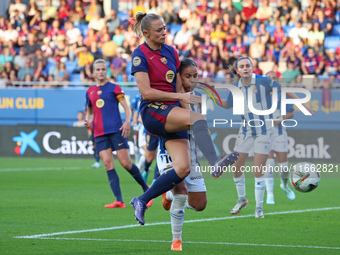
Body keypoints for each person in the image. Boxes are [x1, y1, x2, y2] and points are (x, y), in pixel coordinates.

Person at [130, 11, 234, 225]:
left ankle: (141, 200)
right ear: (146, 33)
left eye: (165, 29)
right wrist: (185, 105)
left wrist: (190, 113)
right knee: (198, 120)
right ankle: (215, 163)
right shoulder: (139, 54)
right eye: (159, 30)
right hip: (153, 111)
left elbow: (179, 89)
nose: (164, 33)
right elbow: (147, 92)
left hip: (173, 112)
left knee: (183, 168)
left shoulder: (171, 52)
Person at [212, 57, 315, 218]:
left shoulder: (264, 81)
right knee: (237, 168)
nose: (245, 68)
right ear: (237, 70)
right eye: (242, 66)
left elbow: (284, 90)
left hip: (264, 131)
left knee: (257, 170)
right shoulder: (235, 87)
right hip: (245, 131)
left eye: (248, 65)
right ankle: (242, 199)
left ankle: (259, 208)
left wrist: (303, 105)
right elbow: (228, 104)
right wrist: (213, 98)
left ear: (252, 68)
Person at [85, 59, 151, 209]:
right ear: (94, 72)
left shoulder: (114, 88)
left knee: (126, 163)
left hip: (116, 130)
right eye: (98, 69)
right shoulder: (89, 92)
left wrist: (127, 121)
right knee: (108, 164)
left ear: (106, 71)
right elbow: (89, 112)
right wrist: (88, 121)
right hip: (100, 133)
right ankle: (119, 201)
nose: (101, 72)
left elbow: (126, 108)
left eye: (103, 69)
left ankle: (146, 190)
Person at [158, 58, 208, 251]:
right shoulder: (171, 98)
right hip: (172, 150)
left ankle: (167, 195)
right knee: (181, 192)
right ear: (179, 77)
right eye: (188, 76)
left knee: (199, 204)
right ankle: (176, 240)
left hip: (192, 155)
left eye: (195, 76)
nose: (192, 80)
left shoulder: (198, 98)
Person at [264, 71, 296, 204]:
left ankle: (284, 185)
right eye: (268, 78)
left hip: (280, 132)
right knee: (269, 164)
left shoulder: (282, 96)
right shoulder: (260, 96)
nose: (271, 81)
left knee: (284, 167)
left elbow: (291, 113)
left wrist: (280, 119)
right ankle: (270, 194)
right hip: (265, 133)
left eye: (273, 78)